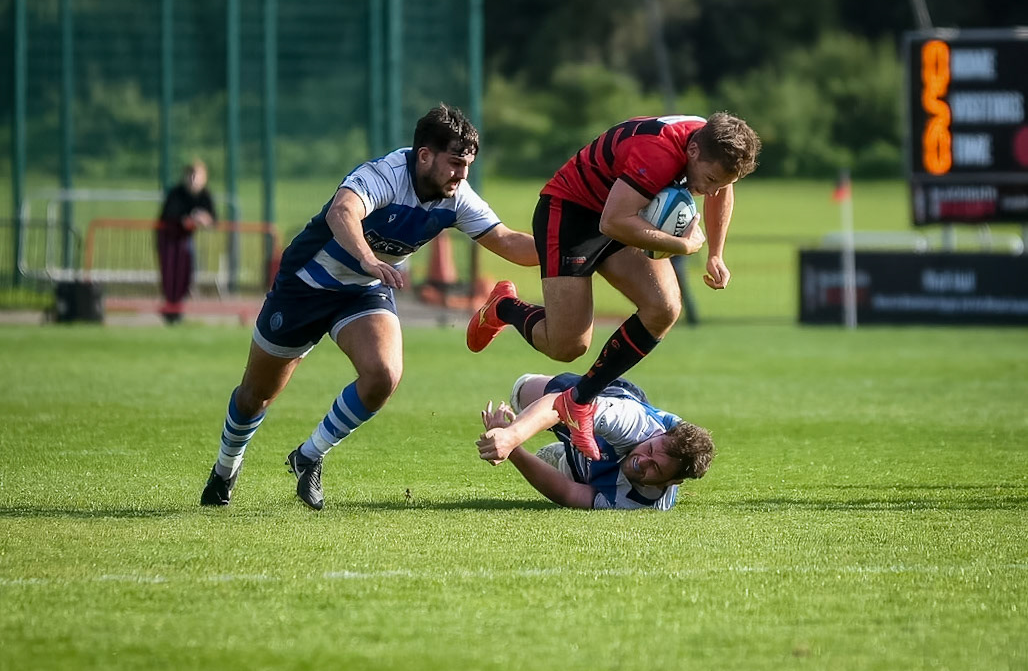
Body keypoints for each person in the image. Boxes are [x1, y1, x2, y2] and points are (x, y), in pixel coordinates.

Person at [200, 104, 538, 510]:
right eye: (454, 163)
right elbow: (343, 211)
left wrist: (576, 255)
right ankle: (224, 470)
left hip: (363, 290)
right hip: (305, 285)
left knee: (383, 375)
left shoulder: (455, 197)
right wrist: (366, 257)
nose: (462, 175)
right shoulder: (386, 175)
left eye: (467, 165)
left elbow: (507, 241)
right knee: (256, 394)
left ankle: (309, 456)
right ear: (425, 155)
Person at [466, 112, 759, 460]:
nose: (709, 190)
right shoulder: (659, 152)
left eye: (720, 183)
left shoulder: (714, 144)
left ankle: (579, 400)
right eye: (709, 179)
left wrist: (716, 253)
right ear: (693, 151)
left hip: (625, 211)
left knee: (663, 308)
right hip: (573, 213)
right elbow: (613, 221)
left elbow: (721, 190)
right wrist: (683, 246)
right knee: (566, 346)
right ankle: (504, 306)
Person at [476, 372, 714, 510]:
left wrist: (515, 451)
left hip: (595, 467)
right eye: (650, 450)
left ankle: (568, 458)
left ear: (673, 481)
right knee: (522, 392)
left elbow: (569, 493)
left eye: (656, 468)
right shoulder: (631, 423)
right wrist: (512, 434)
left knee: (577, 477)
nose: (643, 461)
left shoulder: (642, 504)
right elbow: (561, 405)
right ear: (657, 435)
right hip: (603, 401)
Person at [156, 159, 217, 323]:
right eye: (190, 175)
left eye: (196, 175)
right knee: (170, 272)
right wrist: (187, 220)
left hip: (185, 239)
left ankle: (178, 306)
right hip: (168, 237)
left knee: (185, 272)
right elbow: (171, 216)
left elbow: (213, 219)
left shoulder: (205, 195)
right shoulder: (176, 193)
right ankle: (171, 308)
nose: (193, 179)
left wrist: (205, 219)